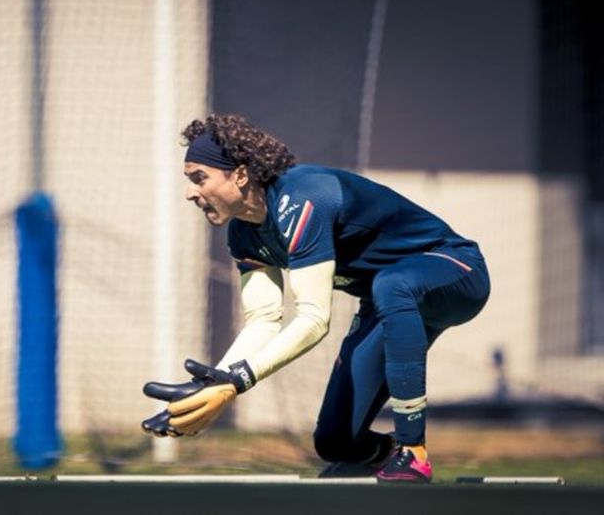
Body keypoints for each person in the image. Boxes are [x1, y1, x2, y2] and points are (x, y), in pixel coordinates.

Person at [141, 114, 490, 483]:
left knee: (389, 284)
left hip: (457, 272)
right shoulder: (243, 234)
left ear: (240, 175)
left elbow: (313, 320)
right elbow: (263, 321)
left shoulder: (304, 196)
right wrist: (215, 384)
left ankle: (412, 450)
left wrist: (238, 382)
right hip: (388, 302)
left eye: (199, 178)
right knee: (335, 442)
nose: (190, 193)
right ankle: (385, 454)